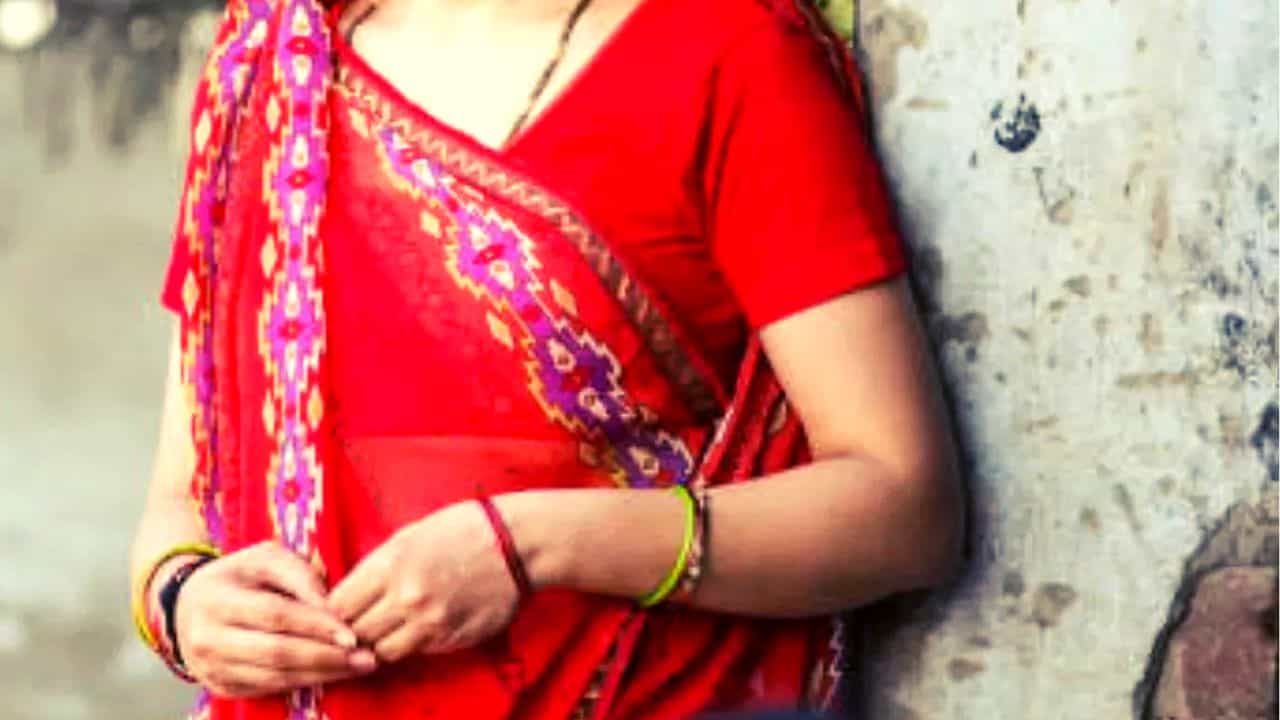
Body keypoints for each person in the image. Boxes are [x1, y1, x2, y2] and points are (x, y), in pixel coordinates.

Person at [128, 0, 964, 716]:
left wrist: (535, 546)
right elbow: (181, 498)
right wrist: (182, 600)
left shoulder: (727, 55)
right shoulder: (273, 71)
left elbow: (904, 508)